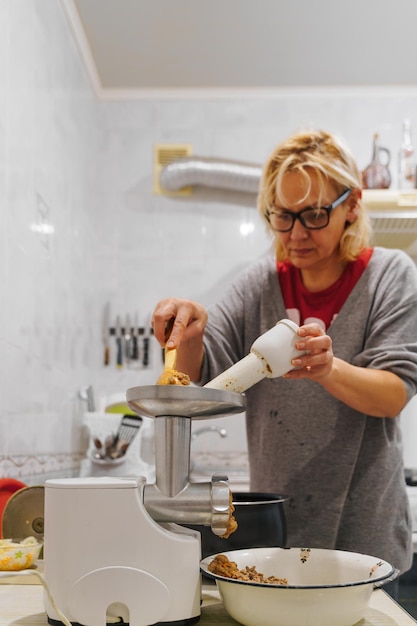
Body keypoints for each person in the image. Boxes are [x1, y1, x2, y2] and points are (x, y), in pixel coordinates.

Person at [152, 129, 417, 578]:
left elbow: (393, 394)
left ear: (351, 206)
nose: (295, 234)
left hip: (365, 522)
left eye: (313, 215)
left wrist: (327, 369)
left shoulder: (389, 276)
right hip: (279, 524)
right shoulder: (258, 284)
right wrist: (189, 326)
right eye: (282, 216)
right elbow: (205, 369)